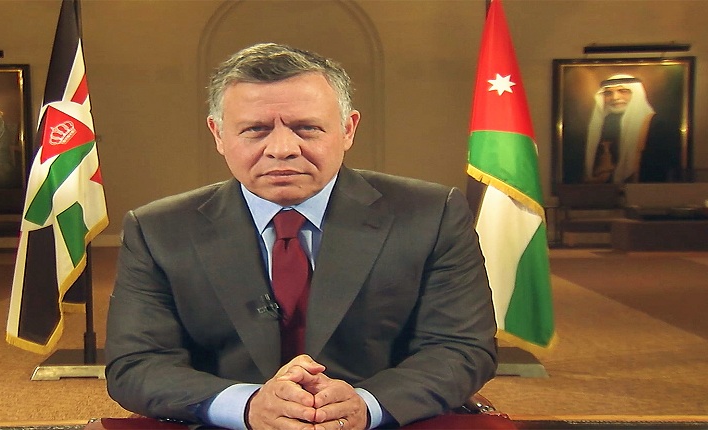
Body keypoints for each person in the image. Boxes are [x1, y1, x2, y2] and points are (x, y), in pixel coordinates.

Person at [105, 42, 497, 429]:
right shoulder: (158, 230)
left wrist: (367, 405)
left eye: (306, 128)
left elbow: (461, 348)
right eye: (255, 130)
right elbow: (136, 364)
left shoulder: (431, 215)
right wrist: (247, 406)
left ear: (347, 129)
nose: (282, 149)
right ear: (218, 134)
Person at [583, 74, 681, 183]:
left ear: (636, 95)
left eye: (623, 91)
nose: (615, 97)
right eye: (608, 93)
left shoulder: (656, 125)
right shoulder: (600, 125)